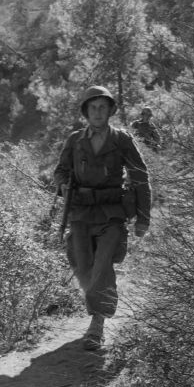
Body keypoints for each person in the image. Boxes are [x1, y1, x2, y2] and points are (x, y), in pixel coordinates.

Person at [54, 85, 151, 351]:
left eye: (102, 107)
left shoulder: (121, 139)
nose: (97, 112)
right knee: (83, 266)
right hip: (82, 213)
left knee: (103, 265)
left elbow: (140, 177)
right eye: (92, 107)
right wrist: (63, 184)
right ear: (86, 111)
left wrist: (143, 217)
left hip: (112, 212)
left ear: (109, 110)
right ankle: (97, 308)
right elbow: (60, 171)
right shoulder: (75, 140)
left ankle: (97, 324)